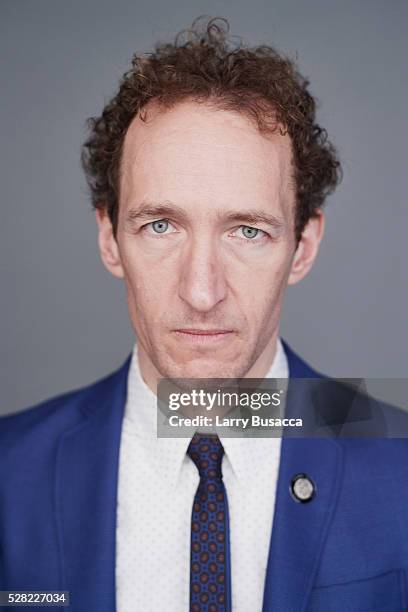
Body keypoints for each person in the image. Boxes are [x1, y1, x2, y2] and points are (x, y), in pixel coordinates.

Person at [1, 16, 407, 612]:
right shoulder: (10, 475)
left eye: (247, 230)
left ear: (303, 246)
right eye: (160, 225)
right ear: (110, 239)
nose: (200, 290)